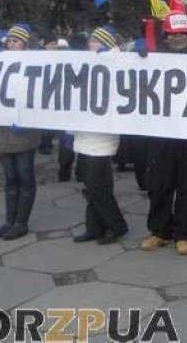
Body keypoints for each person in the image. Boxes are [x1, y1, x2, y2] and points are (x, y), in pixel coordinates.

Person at [140, 10, 187, 256]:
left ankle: (183, 233)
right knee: (159, 184)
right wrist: (137, 59)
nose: (177, 37)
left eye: (182, 33)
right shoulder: (152, 58)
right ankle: (159, 231)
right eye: (173, 33)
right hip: (161, 133)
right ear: (165, 34)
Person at [73, 26, 128, 245]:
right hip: (84, 133)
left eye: (96, 40)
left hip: (102, 136)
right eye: (91, 40)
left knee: (97, 185)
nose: (90, 43)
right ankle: (94, 227)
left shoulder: (114, 63)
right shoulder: (87, 62)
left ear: (105, 43)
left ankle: (117, 225)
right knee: (90, 184)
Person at [0, 24, 40, 240]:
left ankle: (21, 222)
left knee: (24, 176)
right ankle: (9, 220)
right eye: (9, 41)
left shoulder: (36, 63)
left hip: (24, 132)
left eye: (16, 41)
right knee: (10, 178)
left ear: (25, 43)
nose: (11, 44)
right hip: (2, 132)